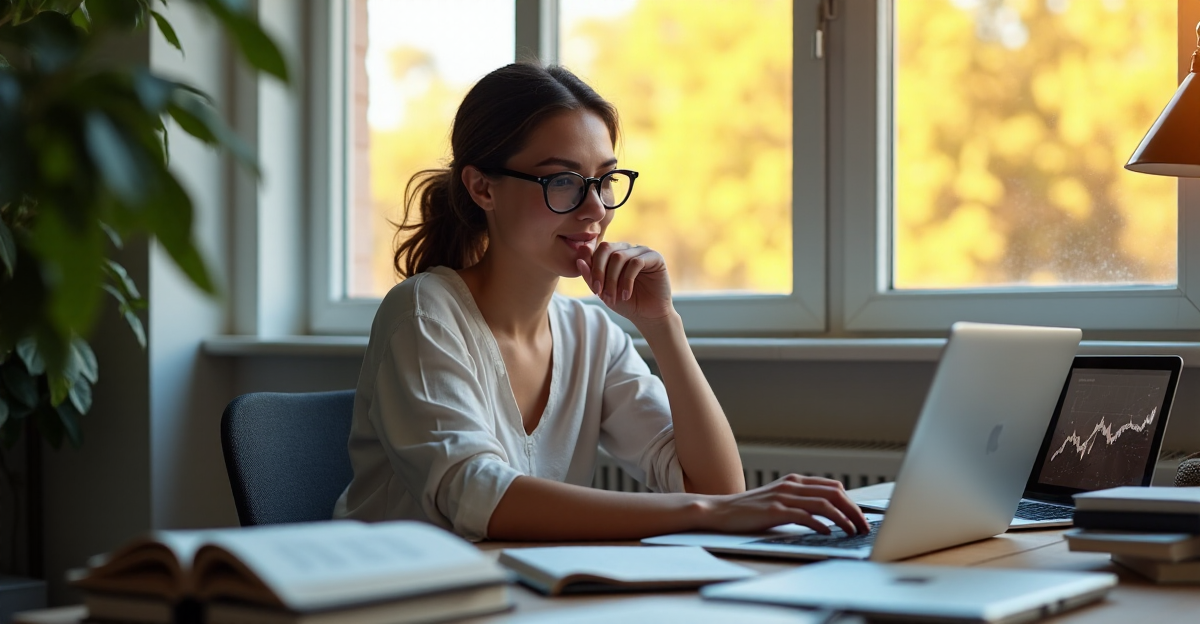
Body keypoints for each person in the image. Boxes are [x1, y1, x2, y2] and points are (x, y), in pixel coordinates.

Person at [333, 63, 870, 542]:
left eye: (605, 180)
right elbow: (479, 499)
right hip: (394, 602)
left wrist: (663, 326)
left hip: (524, 600)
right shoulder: (424, 313)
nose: (595, 209)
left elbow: (717, 486)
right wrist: (703, 512)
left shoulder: (591, 334)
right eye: (563, 181)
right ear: (482, 188)